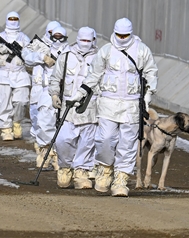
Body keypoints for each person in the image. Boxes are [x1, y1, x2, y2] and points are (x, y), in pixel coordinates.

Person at [76, 18, 158, 197]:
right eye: (119, 35)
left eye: (125, 35)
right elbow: (94, 73)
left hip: (131, 104)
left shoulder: (142, 50)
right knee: (105, 138)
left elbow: (151, 72)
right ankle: (105, 169)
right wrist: (82, 92)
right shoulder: (106, 50)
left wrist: (148, 94)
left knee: (127, 143)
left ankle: (121, 179)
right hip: (108, 103)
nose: (122, 38)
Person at [49, 26, 99, 189]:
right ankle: (65, 168)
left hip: (90, 108)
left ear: (93, 40)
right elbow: (55, 78)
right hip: (68, 108)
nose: (85, 43)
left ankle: (81, 172)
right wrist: (54, 95)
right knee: (63, 140)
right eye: (82, 40)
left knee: (87, 142)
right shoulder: (66, 56)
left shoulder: (100, 58)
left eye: (88, 40)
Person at [23, 24, 68, 169]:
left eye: (61, 37)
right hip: (45, 89)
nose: (58, 40)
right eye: (55, 36)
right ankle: (46, 151)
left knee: (62, 124)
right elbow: (27, 57)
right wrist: (42, 57)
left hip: (65, 90)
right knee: (42, 121)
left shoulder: (69, 51)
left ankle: (58, 155)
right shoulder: (42, 48)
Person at [0, 11, 32, 141]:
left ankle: (17, 122)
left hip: (20, 74)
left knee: (21, 102)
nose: (13, 21)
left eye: (15, 19)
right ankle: (6, 129)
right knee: (4, 103)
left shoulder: (24, 38)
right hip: (3, 74)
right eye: (10, 19)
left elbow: (31, 54)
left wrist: (24, 50)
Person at [27, 21, 61, 144]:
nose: (53, 36)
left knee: (51, 118)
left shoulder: (64, 48)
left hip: (51, 87)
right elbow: (26, 56)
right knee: (35, 117)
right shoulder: (37, 44)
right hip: (37, 87)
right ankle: (39, 144)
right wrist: (42, 57)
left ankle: (49, 146)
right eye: (50, 33)